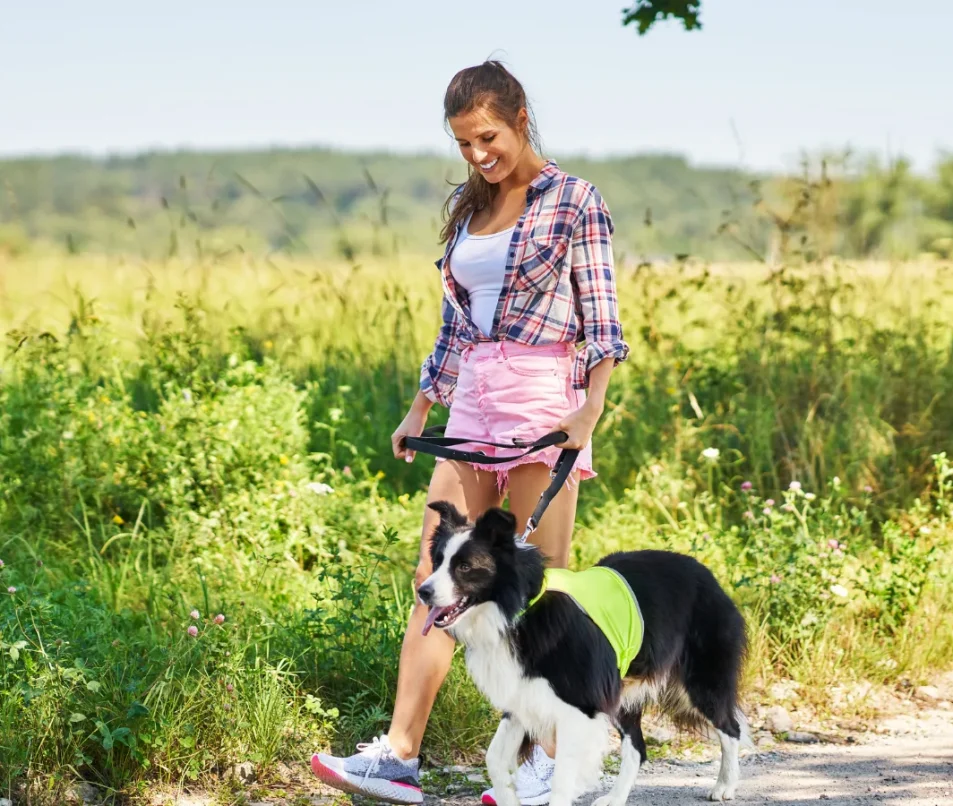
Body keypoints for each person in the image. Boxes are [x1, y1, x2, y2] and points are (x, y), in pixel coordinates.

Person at [311, 60, 629, 806]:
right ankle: (397, 754)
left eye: (486, 136)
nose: (477, 154)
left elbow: (602, 319)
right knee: (435, 574)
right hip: (473, 402)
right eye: (462, 143)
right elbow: (457, 323)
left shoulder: (574, 200)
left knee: (539, 586)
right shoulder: (468, 205)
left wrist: (590, 409)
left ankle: (559, 755)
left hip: (539, 399)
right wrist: (422, 405)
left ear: (519, 117)